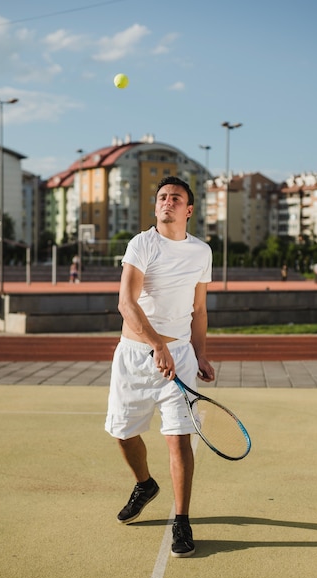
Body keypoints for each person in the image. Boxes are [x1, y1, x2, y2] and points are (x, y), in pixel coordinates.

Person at [105, 176, 215, 558]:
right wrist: (155, 345)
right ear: (156, 206)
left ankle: (182, 520)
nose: (167, 202)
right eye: (162, 197)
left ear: (188, 210)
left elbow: (199, 310)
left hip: (179, 358)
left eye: (176, 198)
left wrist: (199, 354)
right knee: (122, 432)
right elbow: (126, 303)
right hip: (135, 356)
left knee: (178, 437)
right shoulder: (142, 243)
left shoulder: (202, 252)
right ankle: (145, 484)